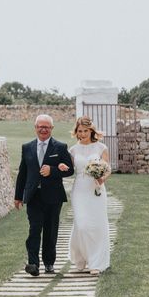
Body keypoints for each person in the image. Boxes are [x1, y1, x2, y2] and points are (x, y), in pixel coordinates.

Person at [15, 114, 74, 276]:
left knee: (50, 230)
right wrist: (18, 196)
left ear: (51, 129)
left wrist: (53, 170)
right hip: (33, 196)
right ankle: (33, 264)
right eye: (40, 126)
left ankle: (49, 262)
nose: (43, 129)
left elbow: (70, 170)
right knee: (34, 229)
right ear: (35, 128)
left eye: (46, 127)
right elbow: (23, 173)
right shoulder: (27, 147)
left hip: (54, 197)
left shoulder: (60, 147)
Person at [58, 116, 111, 275]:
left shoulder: (101, 148)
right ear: (76, 132)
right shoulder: (73, 150)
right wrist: (61, 166)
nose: (82, 134)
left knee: (97, 225)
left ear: (91, 130)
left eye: (85, 131)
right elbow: (69, 169)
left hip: (96, 189)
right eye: (79, 131)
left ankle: (96, 263)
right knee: (81, 225)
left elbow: (108, 169)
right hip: (80, 189)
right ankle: (80, 258)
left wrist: (102, 178)